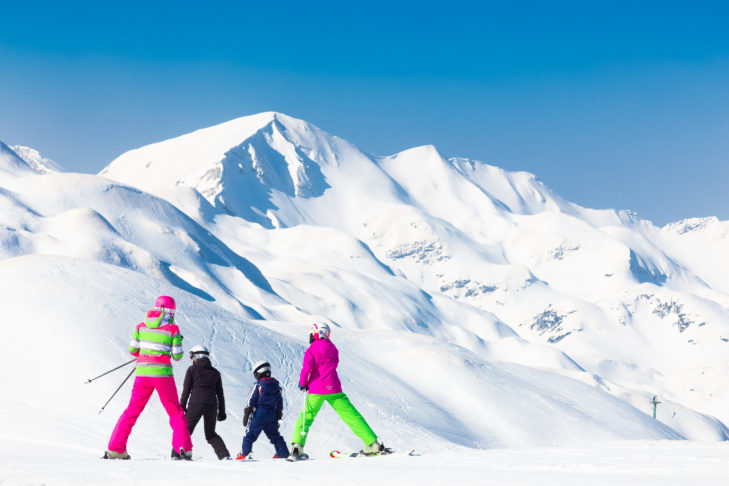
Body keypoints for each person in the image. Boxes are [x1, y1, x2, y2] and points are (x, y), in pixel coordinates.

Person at [104, 295, 194, 460]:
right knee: (174, 411)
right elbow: (177, 356)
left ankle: (115, 449)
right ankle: (183, 449)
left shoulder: (141, 326)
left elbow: (133, 350)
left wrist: (146, 353)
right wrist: (177, 341)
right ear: (170, 312)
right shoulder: (172, 329)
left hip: (142, 374)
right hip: (162, 375)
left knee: (132, 410)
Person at [288, 323, 390, 459]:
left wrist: (302, 383)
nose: (311, 336)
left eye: (312, 333)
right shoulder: (333, 348)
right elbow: (333, 364)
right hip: (334, 388)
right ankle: (373, 444)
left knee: (305, 418)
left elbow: (306, 369)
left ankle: (297, 447)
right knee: (351, 415)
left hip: (316, 390)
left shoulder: (311, 350)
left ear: (317, 334)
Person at [179, 345, 231, 460]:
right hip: (212, 404)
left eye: (191, 356)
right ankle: (224, 455)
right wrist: (221, 412)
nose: (190, 359)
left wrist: (182, 406)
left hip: (195, 403)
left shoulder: (191, 370)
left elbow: (186, 390)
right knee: (211, 434)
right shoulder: (215, 373)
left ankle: (177, 455)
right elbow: (220, 395)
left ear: (197, 356)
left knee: (185, 430)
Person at [236, 360, 290, 460]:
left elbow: (251, 399)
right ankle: (284, 454)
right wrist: (278, 415)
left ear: (259, 373)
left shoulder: (258, 385)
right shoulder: (277, 387)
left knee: (250, 434)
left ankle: (245, 453)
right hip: (272, 414)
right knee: (275, 435)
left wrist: (247, 413)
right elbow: (280, 402)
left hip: (259, 413)